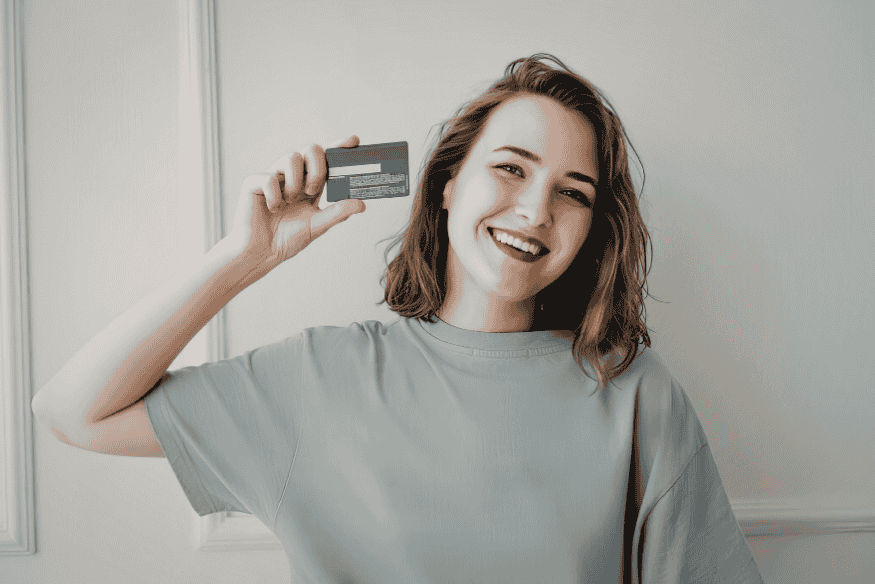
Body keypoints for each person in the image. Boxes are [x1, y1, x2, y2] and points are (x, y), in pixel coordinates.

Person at [32, 54, 764, 583]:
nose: (535, 211)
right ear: (447, 185)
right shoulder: (317, 377)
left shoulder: (633, 391)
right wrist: (242, 258)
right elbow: (73, 412)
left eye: (572, 192)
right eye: (510, 168)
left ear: (591, 227)